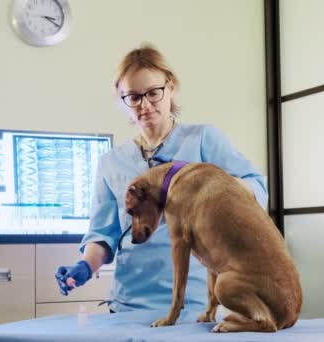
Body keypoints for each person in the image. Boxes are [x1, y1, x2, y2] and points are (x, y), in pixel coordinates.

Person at [55, 44, 268, 313]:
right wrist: (86, 265)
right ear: (122, 101)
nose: (145, 104)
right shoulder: (111, 163)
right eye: (133, 97)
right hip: (128, 305)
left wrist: (212, 185)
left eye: (154, 93)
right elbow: (103, 234)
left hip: (194, 305)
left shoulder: (203, 140)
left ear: (171, 87)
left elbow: (257, 187)